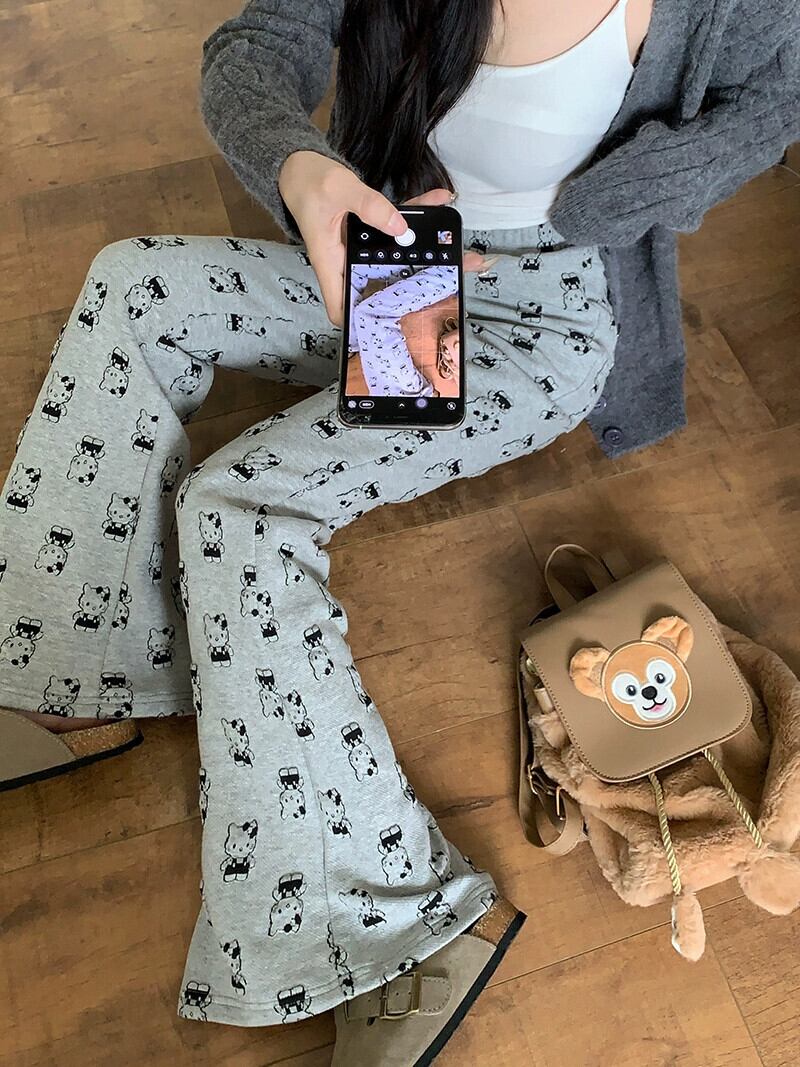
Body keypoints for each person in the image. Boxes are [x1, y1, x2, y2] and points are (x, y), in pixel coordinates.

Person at [0, 0, 796, 1063]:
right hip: (394, 262)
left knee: (238, 507)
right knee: (133, 286)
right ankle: (71, 675)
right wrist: (302, 171)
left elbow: (778, 96)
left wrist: (628, 190)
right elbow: (259, 43)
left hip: (548, 310)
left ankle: (402, 926)